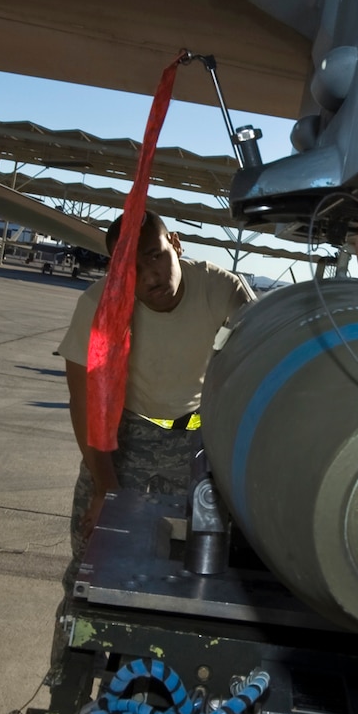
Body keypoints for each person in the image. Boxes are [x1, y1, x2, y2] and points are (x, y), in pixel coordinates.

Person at [58, 211, 254, 570]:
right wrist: (105, 488)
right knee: (92, 562)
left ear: (175, 244)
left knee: (190, 566)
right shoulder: (99, 305)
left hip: (194, 440)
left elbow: (259, 370)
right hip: (121, 437)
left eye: (154, 255)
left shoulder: (222, 289)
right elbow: (84, 400)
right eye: (130, 269)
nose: (149, 276)